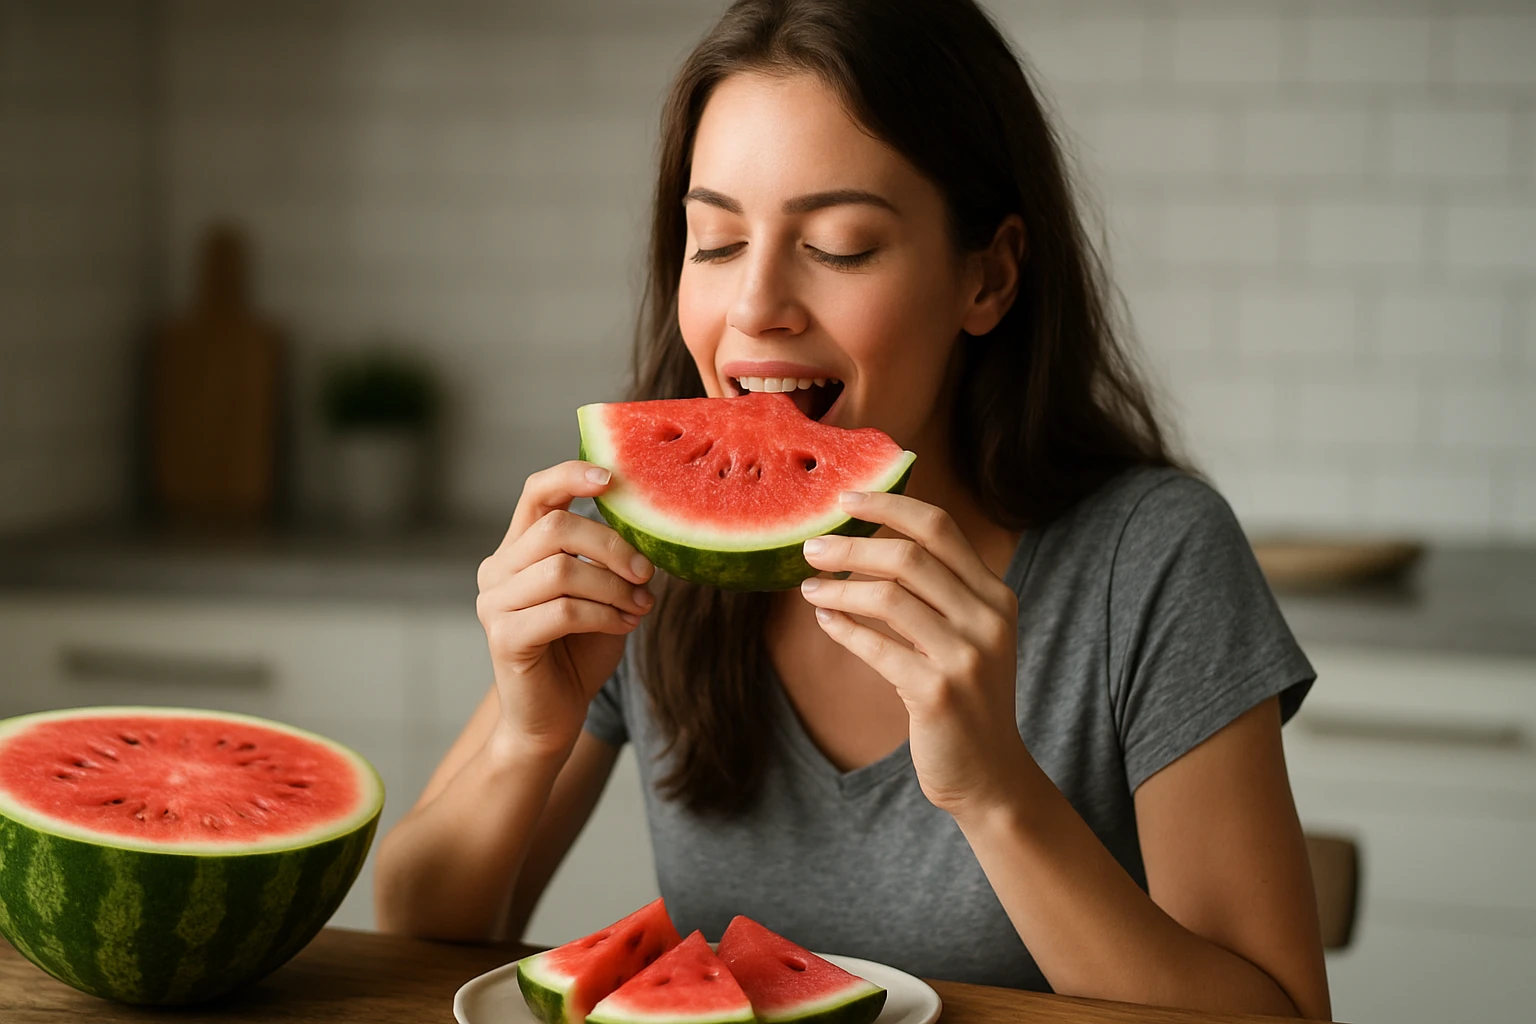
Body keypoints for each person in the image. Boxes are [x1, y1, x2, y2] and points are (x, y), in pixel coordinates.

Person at [374, 0, 1330, 1017]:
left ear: (990, 275)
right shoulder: (640, 548)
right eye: (715, 240)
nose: (755, 307)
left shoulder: (1152, 560)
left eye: (838, 245)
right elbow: (415, 933)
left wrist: (995, 792)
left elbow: (1280, 1013)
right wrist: (531, 734)